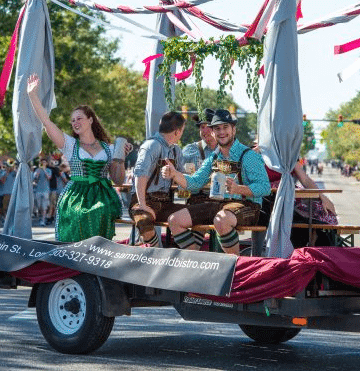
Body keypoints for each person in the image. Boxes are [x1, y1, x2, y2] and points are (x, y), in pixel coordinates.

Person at [27, 73, 129, 242]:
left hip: (102, 194)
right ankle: (76, 262)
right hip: (76, 194)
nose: (75, 122)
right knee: (78, 217)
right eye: (73, 120)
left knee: (100, 212)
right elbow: (47, 122)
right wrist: (33, 95)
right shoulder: (70, 144)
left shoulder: (109, 148)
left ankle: (96, 259)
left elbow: (118, 180)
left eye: (79, 118)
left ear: (90, 120)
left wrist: (120, 157)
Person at [163, 109, 271, 255]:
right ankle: (197, 261)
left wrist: (239, 189)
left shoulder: (248, 155)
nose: (221, 132)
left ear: (234, 129)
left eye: (225, 127)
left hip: (248, 206)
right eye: (217, 128)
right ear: (213, 132)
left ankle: (234, 266)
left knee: (221, 221)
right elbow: (196, 182)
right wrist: (175, 174)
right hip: (219, 205)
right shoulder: (214, 157)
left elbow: (265, 187)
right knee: (174, 220)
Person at [128, 111, 188, 247]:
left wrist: (176, 175)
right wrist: (143, 205)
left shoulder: (176, 150)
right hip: (143, 200)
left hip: (164, 202)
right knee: (144, 222)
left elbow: (181, 176)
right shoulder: (151, 145)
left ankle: (188, 256)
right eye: (182, 130)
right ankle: (158, 253)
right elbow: (139, 175)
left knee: (194, 215)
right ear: (177, 132)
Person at [33, 157, 52, 226]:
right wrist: (38, 171)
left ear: (46, 163)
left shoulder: (48, 170)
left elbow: (49, 178)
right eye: (42, 162)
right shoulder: (37, 170)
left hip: (45, 190)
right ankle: (41, 217)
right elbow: (35, 178)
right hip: (38, 190)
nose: (43, 164)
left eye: (44, 162)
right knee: (39, 206)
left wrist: (44, 170)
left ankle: (43, 220)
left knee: (44, 206)